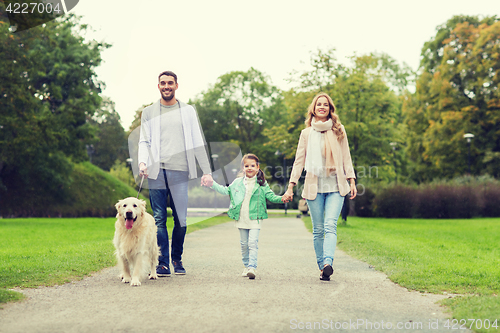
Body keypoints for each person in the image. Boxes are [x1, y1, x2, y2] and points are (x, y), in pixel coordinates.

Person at [138, 70, 213, 276]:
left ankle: (177, 258)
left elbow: (198, 141)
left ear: (176, 86)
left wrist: (206, 171)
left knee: (181, 219)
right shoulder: (149, 112)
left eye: (170, 83)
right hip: (156, 171)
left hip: (180, 170)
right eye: (163, 83)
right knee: (160, 219)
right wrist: (143, 162)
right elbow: (144, 140)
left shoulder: (187, 111)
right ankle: (162, 263)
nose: (166, 86)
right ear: (158, 86)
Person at [283, 92, 357, 281]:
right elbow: (299, 161)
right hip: (314, 187)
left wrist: (351, 180)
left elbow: (346, 156)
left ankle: (327, 263)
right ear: (314, 109)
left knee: (330, 225)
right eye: (319, 104)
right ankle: (321, 267)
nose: (322, 107)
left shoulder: (339, 130)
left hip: (336, 186)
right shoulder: (306, 134)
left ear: (330, 109)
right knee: (318, 229)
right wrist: (291, 185)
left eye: (325, 104)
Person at [202, 153, 288, 279]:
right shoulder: (237, 182)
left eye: (252, 165)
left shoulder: (262, 184)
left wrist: (282, 199)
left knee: (252, 242)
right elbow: (225, 190)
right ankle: (246, 266)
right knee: (244, 244)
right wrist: (212, 184)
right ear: (243, 168)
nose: (250, 168)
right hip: (241, 218)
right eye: (247, 166)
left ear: (258, 167)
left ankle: (252, 267)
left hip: (256, 218)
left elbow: (271, 196)